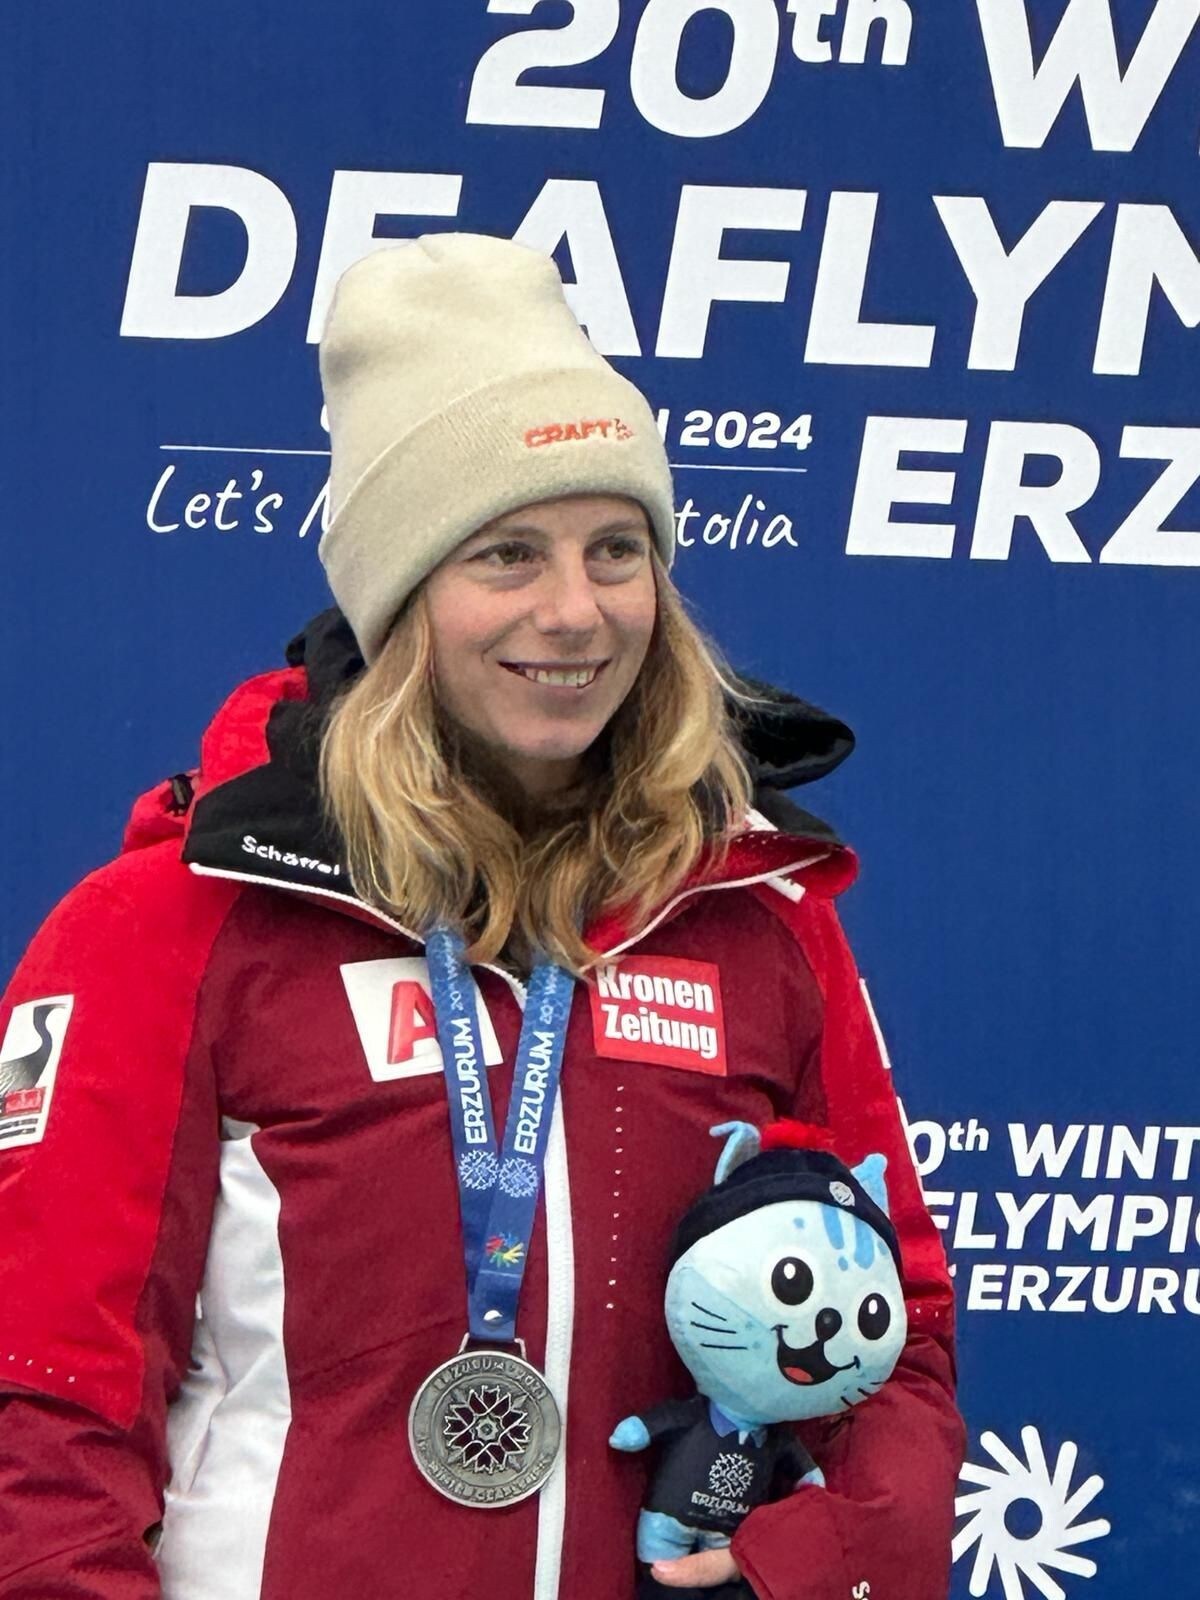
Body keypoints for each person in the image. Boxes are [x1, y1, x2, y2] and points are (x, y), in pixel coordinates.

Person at [0, 234, 963, 1600]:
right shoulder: (176, 922)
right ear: (401, 595)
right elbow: (46, 1403)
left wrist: (816, 1559)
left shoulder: (759, 916)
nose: (575, 612)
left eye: (616, 550)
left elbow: (898, 1332)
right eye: (508, 554)